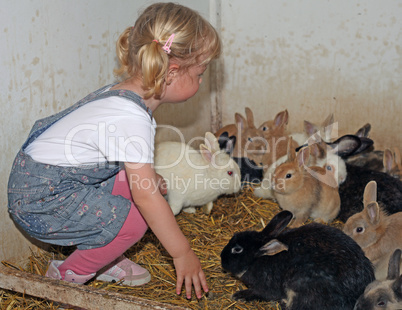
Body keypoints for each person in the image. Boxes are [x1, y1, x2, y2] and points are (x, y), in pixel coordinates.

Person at [7, 2, 221, 300]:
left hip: (41, 182)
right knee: (138, 216)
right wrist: (182, 252)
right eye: (200, 74)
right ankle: (66, 279)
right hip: (41, 202)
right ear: (171, 73)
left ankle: (102, 254)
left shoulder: (124, 95)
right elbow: (145, 197)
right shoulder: (132, 117)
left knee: (144, 186)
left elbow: (119, 161)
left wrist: (151, 178)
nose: (201, 81)